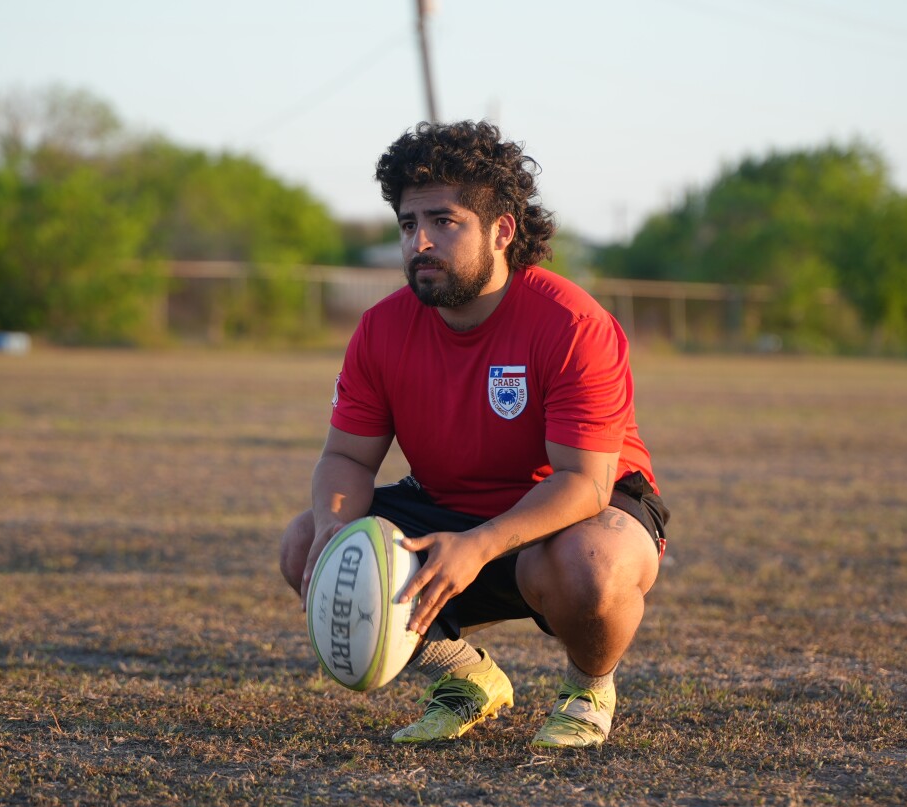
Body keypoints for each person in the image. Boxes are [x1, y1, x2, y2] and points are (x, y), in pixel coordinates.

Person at [279, 120, 668, 748]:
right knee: (307, 543)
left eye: (444, 221)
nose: (420, 242)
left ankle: (588, 686)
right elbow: (346, 457)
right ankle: (466, 680)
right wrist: (332, 530)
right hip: (450, 510)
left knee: (592, 569)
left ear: (502, 229)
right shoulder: (381, 329)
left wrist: (481, 544)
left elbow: (585, 483)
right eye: (408, 224)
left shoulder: (571, 323)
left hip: (570, 518)